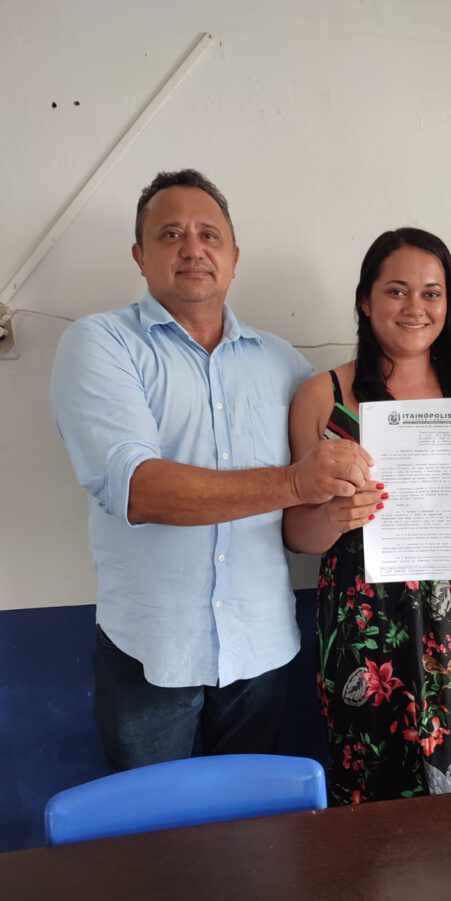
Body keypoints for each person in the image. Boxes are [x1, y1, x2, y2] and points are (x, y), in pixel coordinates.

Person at [50, 168, 371, 772]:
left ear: (234, 257)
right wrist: (292, 482)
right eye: (171, 234)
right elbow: (138, 489)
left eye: (209, 234)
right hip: (150, 650)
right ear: (140, 255)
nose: (193, 248)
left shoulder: (283, 363)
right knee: (150, 824)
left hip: (260, 646)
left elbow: (359, 426)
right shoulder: (101, 344)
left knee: (249, 825)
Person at [283, 228, 451, 805]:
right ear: (365, 301)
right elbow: (297, 534)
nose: (415, 307)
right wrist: (338, 515)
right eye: (396, 290)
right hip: (362, 637)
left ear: (449, 304)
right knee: (368, 803)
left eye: (432, 293)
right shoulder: (323, 397)